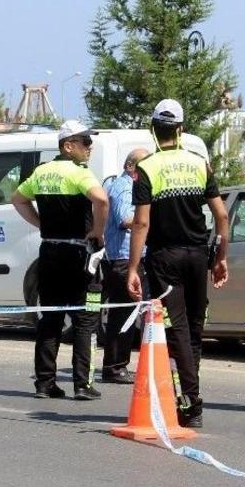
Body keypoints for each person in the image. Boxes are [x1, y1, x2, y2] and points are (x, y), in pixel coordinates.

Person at [126, 99, 229, 428]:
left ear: (154, 131)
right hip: (198, 255)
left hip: (165, 257)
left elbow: (141, 224)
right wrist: (221, 257)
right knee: (195, 328)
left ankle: (190, 400)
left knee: (177, 330)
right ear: (181, 130)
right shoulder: (200, 163)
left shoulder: (147, 169)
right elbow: (222, 215)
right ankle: (190, 397)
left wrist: (131, 268)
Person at [12, 119, 109, 400]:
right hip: (79, 253)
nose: (90, 148)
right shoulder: (78, 173)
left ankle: (44, 383)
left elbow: (17, 199)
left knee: (50, 318)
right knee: (85, 318)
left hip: (50, 252)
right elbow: (102, 201)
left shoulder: (41, 172)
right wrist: (98, 232)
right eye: (85, 142)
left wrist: (41, 223)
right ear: (68, 146)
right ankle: (83, 384)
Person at [100, 148, 150, 384]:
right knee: (123, 314)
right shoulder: (124, 186)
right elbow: (124, 218)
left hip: (128, 257)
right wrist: (148, 218)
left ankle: (117, 363)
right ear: (131, 167)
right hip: (122, 259)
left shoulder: (131, 186)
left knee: (127, 313)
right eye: (144, 166)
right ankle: (114, 366)